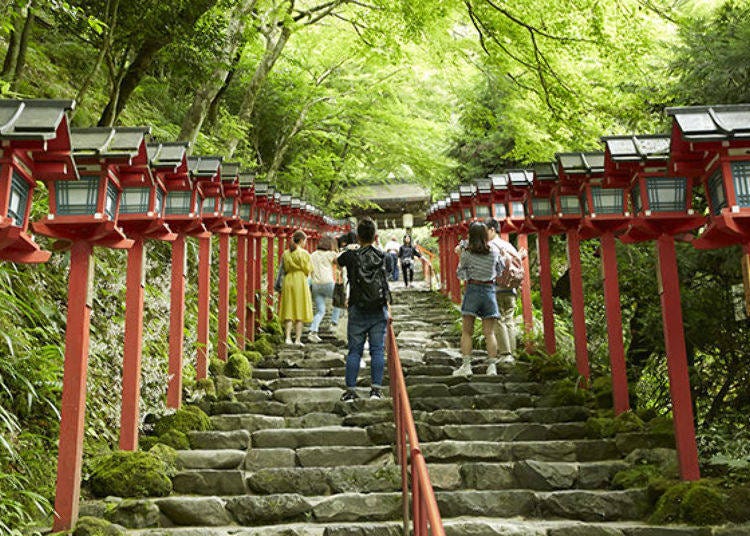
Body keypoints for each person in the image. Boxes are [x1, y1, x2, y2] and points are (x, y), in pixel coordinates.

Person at [335, 218, 391, 401]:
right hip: (378, 308)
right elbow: (386, 279)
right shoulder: (383, 256)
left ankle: (350, 390)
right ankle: (375, 390)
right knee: (377, 350)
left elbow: (338, 260)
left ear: (357, 237)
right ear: (375, 236)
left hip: (357, 307)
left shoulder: (351, 256)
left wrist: (350, 247)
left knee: (354, 351)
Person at [454, 221, 504, 377]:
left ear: (470, 236)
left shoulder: (467, 254)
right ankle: (492, 368)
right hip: (489, 290)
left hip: (473, 290)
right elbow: (500, 271)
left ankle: (467, 366)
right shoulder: (494, 252)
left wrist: (460, 256)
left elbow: (460, 274)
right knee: (489, 333)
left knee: (467, 331)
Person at [486, 219, 523, 365]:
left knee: (499, 320)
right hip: (511, 289)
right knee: (509, 320)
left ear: (492, 230)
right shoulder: (508, 245)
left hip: (496, 288)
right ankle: (512, 352)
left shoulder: (490, 246)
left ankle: (505, 353)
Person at [279, 230, 313, 346]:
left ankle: (287, 338)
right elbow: (308, 270)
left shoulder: (285, 254)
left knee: (289, 309)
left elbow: (284, 269)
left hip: (288, 280)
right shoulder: (304, 254)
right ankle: (297, 340)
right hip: (300, 281)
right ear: (302, 240)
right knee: (300, 310)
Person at [307, 235, 340, 343]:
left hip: (316, 285)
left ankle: (313, 331)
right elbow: (339, 261)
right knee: (338, 301)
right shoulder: (330, 254)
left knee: (321, 311)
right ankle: (334, 323)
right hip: (328, 283)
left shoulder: (312, 255)